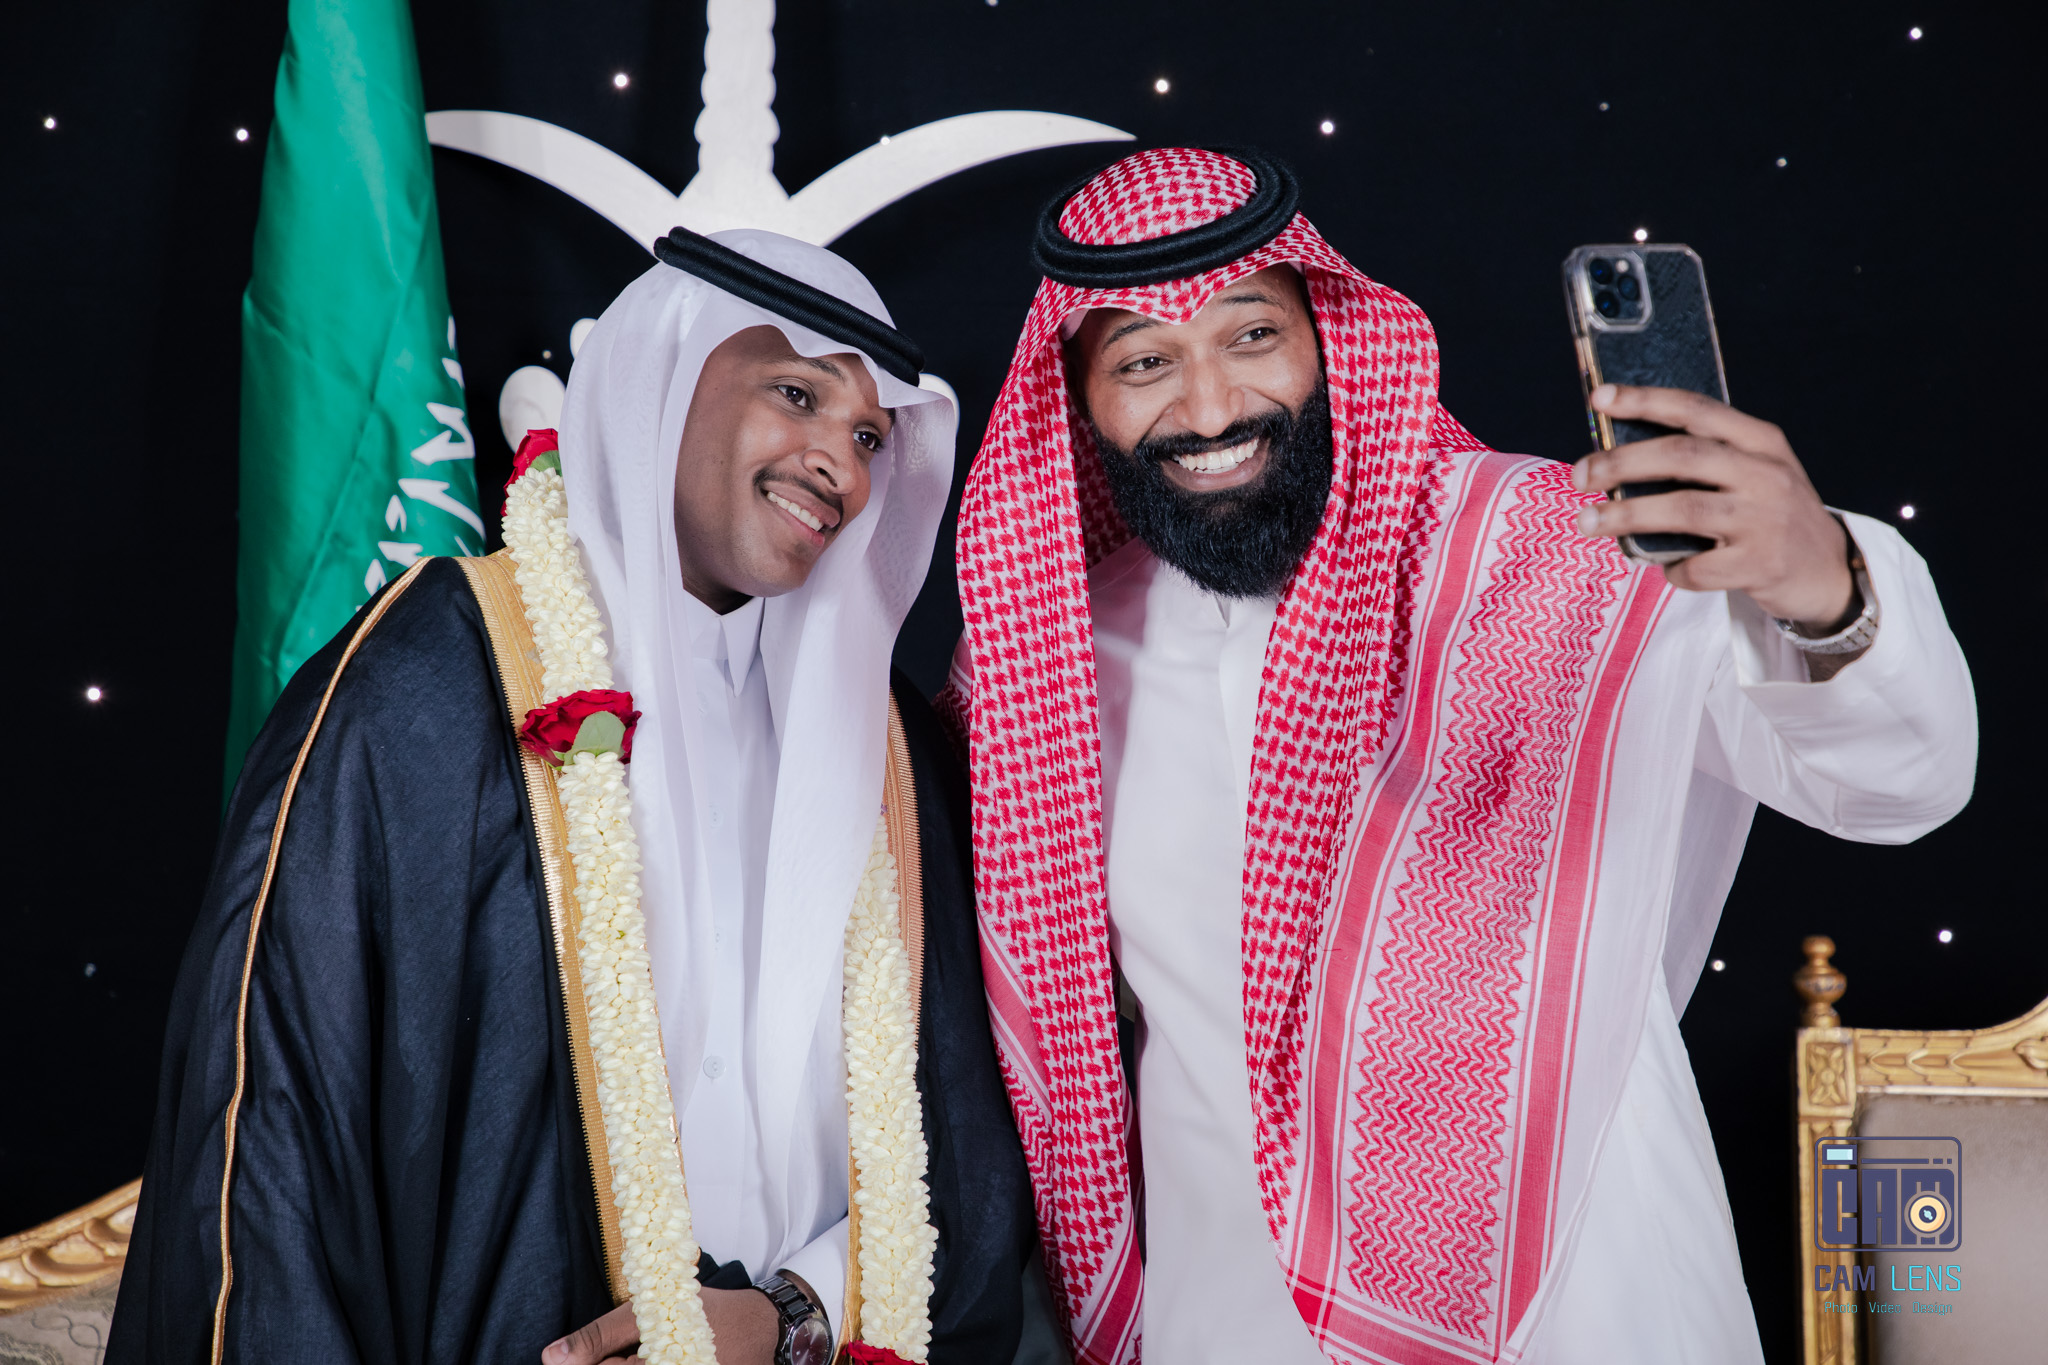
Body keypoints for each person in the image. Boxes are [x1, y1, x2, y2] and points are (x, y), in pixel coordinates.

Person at [944, 148, 1974, 1364]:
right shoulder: (1041, 658)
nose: (1210, 408)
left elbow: (1895, 787)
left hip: (1585, 1305)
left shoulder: (1563, 552)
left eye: (1251, 336)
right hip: (1228, 1314)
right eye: (1143, 363)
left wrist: (1823, 590)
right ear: (1079, 398)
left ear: (1329, 338)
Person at [111, 228, 1034, 1365]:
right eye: (795, 395)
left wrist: (795, 1314)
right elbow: (277, 1137)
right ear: (663, 379)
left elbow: (963, 1154)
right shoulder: (431, 686)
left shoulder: (885, 748)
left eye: (867, 437)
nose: (838, 468)